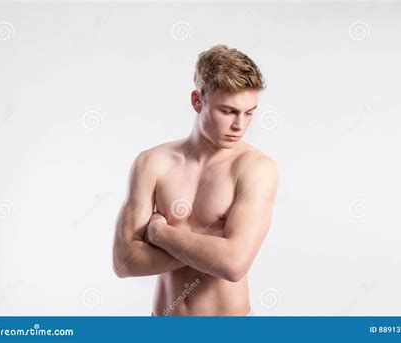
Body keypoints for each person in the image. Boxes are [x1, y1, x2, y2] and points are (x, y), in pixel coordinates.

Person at [112, 44, 279, 316]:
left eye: (249, 112)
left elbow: (234, 264)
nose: (240, 125)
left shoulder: (255, 169)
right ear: (197, 101)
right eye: (227, 111)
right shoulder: (152, 162)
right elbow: (124, 262)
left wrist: (161, 234)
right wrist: (213, 249)